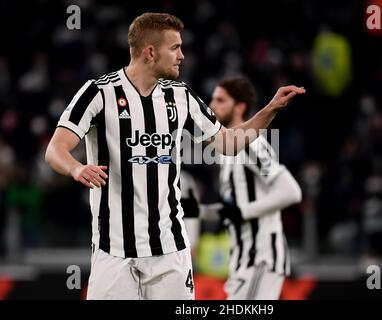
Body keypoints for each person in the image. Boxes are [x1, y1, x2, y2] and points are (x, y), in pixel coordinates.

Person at [44, 12, 305, 300]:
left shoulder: (181, 97)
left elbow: (228, 143)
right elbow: (56, 149)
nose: (182, 55)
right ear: (150, 52)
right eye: (175, 48)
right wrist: (76, 168)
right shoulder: (98, 93)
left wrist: (270, 109)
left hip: (170, 253)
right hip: (113, 251)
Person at [209, 77, 302, 299]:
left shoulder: (250, 143)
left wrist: (243, 212)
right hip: (243, 261)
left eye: (221, 100)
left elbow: (291, 191)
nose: (212, 105)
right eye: (213, 99)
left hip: (260, 258)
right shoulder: (228, 149)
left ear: (240, 107)